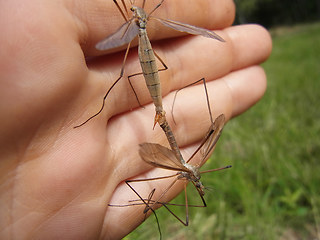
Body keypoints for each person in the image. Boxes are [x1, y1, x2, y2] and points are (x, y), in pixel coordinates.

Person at [0, 0, 271, 239]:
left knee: (122, 75)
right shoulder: (139, 19)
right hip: (153, 80)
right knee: (123, 75)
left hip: (156, 91)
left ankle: (153, 113)